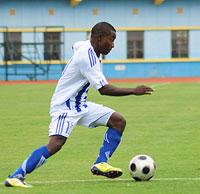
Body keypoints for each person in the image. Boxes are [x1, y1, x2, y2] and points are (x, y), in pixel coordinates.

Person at [5, 22, 154, 188]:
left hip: (79, 104)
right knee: (56, 143)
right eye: (111, 40)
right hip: (65, 106)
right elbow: (104, 89)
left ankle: (101, 163)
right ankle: (16, 176)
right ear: (99, 38)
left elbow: (75, 45)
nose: (112, 45)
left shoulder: (86, 46)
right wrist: (134, 90)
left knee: (118, 121)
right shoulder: (88, 58)